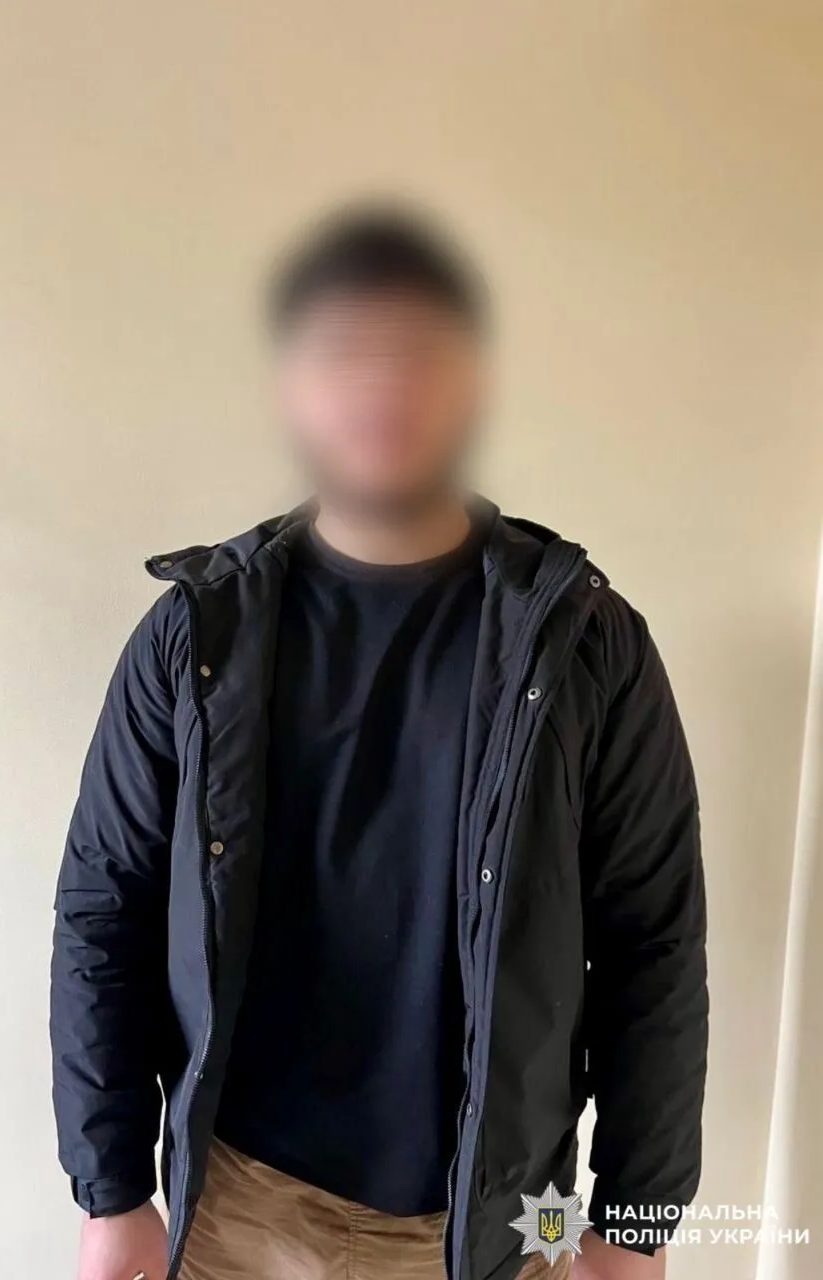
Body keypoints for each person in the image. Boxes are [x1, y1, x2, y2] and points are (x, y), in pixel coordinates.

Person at [51, 207, 708, 1280]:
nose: (382, 384)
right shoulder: (196, 634)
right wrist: (110, 1187)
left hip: (514, 1216)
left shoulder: (587, 641)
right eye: (344, 349)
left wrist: (635, 1225)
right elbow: (103, 908)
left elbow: (653, 944)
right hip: (239, 1206)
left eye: (418, 348)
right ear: (290, 388)